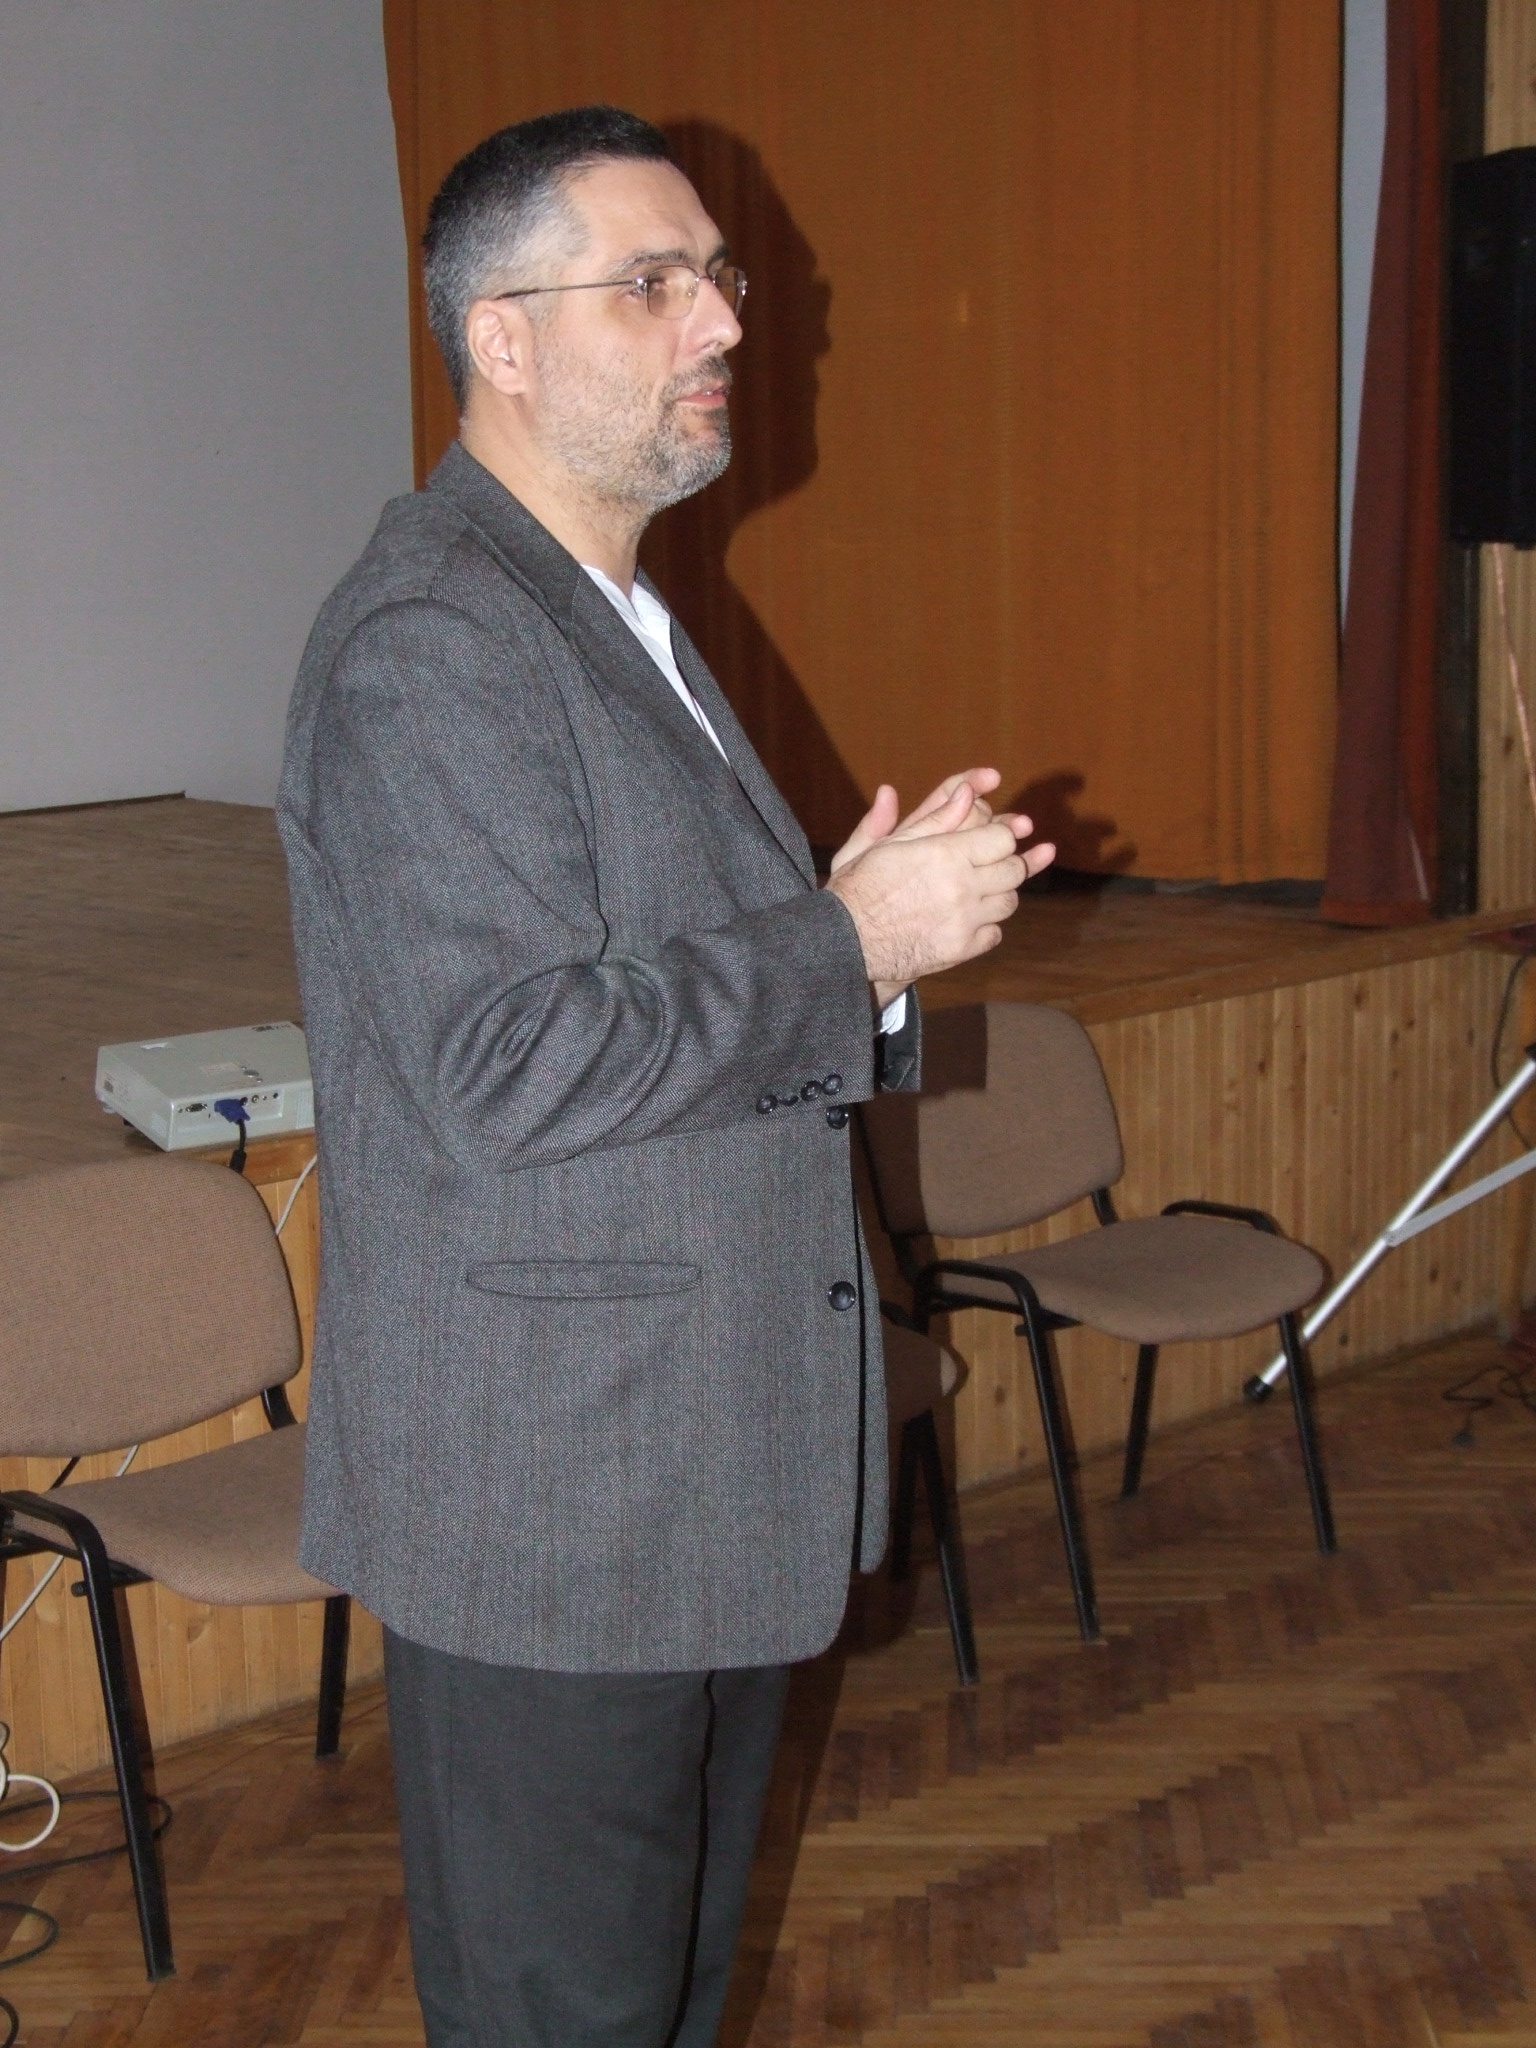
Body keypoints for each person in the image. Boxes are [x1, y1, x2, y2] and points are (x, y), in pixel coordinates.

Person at [277, 104, 1054, 2047]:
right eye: (654, 282)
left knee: (661, 2011)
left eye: (718, 276)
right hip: (558, 1504)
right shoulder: (433, 637)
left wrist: (865, 941)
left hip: (687, 1469)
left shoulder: (615, 617)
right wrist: (847, 942)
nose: (724, 319)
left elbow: (666, 1000)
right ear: (503, 340)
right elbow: (505, 1063)